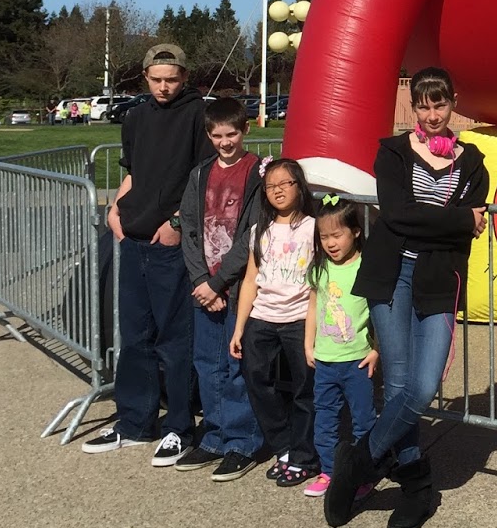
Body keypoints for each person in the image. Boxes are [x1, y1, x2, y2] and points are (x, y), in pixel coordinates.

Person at [324, 66, 488, 528]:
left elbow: (452, 229)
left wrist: (440, 223)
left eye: (440, 104)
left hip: (439, 279)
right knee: (397, 387)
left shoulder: (473, 163)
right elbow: (396, 216)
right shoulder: (393, 152)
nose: (433, 115)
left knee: (422, 386)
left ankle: (359, 461)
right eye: (424, 105)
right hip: (392, 274)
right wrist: (458, 219)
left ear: (453, 102)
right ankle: (416, 487)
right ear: (413, 106)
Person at [81, 44, 213, 463]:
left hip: (171, 243)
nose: (163, 87)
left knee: (174, 339)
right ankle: (134, 422)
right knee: (134, 337)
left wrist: (176, 224)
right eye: (156, 79)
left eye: (171, 79)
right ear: (145, 78)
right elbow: (132, 173)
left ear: (184, 77)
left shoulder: (198, 116)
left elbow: (204, 179)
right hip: (133, 238)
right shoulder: (136, 117)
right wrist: (114, 209)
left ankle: (179, 428)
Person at [175, 97, 266, 482]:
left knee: (236, 365)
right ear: (209, 136)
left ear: (245, 130)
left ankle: (242, 441)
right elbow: (189, 229)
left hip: (238, 287)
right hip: (205, 288)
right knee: (207, 363)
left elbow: (253, 235)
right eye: (217, 136)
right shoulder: (200, 175)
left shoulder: (258, 172)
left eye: (231, 134)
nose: (225, 142)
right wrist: (201, 281)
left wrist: (218, 283)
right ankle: (214, 436)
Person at [230, 158, 319, 487]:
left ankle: (305, 456)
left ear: (299, 186)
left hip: (299, 319)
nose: (278, 190)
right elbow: (250, 279)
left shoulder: (313, 228)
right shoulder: (260, 231)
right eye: (270, 186)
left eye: (285, 183)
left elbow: (319, 282)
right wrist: (239, 327)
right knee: (256, 380)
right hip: (262, 318)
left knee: (304, 389)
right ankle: (283, 447)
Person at [302, 195, 378, 500]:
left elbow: (380, 312)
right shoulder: (320, 269)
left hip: (357, 361)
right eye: (324, 237)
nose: (330, 243)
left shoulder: (366, 267)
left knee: (364, 421)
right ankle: (329, 471)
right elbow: (313, 305)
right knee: (325, 420)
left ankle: (363, 475)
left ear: (356, 232)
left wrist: (377, 349)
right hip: (325, 361)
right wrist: (308, 343)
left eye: (337, 235)